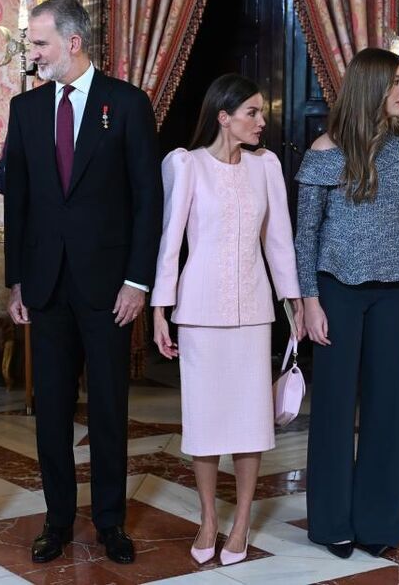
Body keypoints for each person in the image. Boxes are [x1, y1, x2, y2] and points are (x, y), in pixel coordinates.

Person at [4, 0, 162, 565]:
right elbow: (17, 200)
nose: (33, 53)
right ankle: (57, 521)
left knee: (109, 411)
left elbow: (149, 200)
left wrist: (138, 282)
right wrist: (16, 281)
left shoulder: (126, 104)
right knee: (50, 411)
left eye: (40, 42)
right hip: (45, 287)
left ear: (72, 42)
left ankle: (111, 522)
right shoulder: (25, 110)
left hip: (109, 287)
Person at [151, 74, 304, 566]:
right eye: (252, 113)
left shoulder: (267, 167)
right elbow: (170, 242)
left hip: (255, 313)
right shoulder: (185, 164)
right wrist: (160, 310)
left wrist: (293, 300)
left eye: (262, 113)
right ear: (224, 116)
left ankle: (240, 522)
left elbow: (278, 239)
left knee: (250, 422)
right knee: (205, 422)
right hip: (198, 312)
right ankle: (208, 520)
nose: (262, 122)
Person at [295, 48, 399, 559]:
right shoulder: (325, 151)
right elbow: (305, 236)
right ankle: (332, 521)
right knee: (333, 408)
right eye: (398, 81)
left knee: (389, 409)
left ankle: (379, 522)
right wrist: (309, 302)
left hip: (398, 293)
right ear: (371, 87)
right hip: (338, 292)